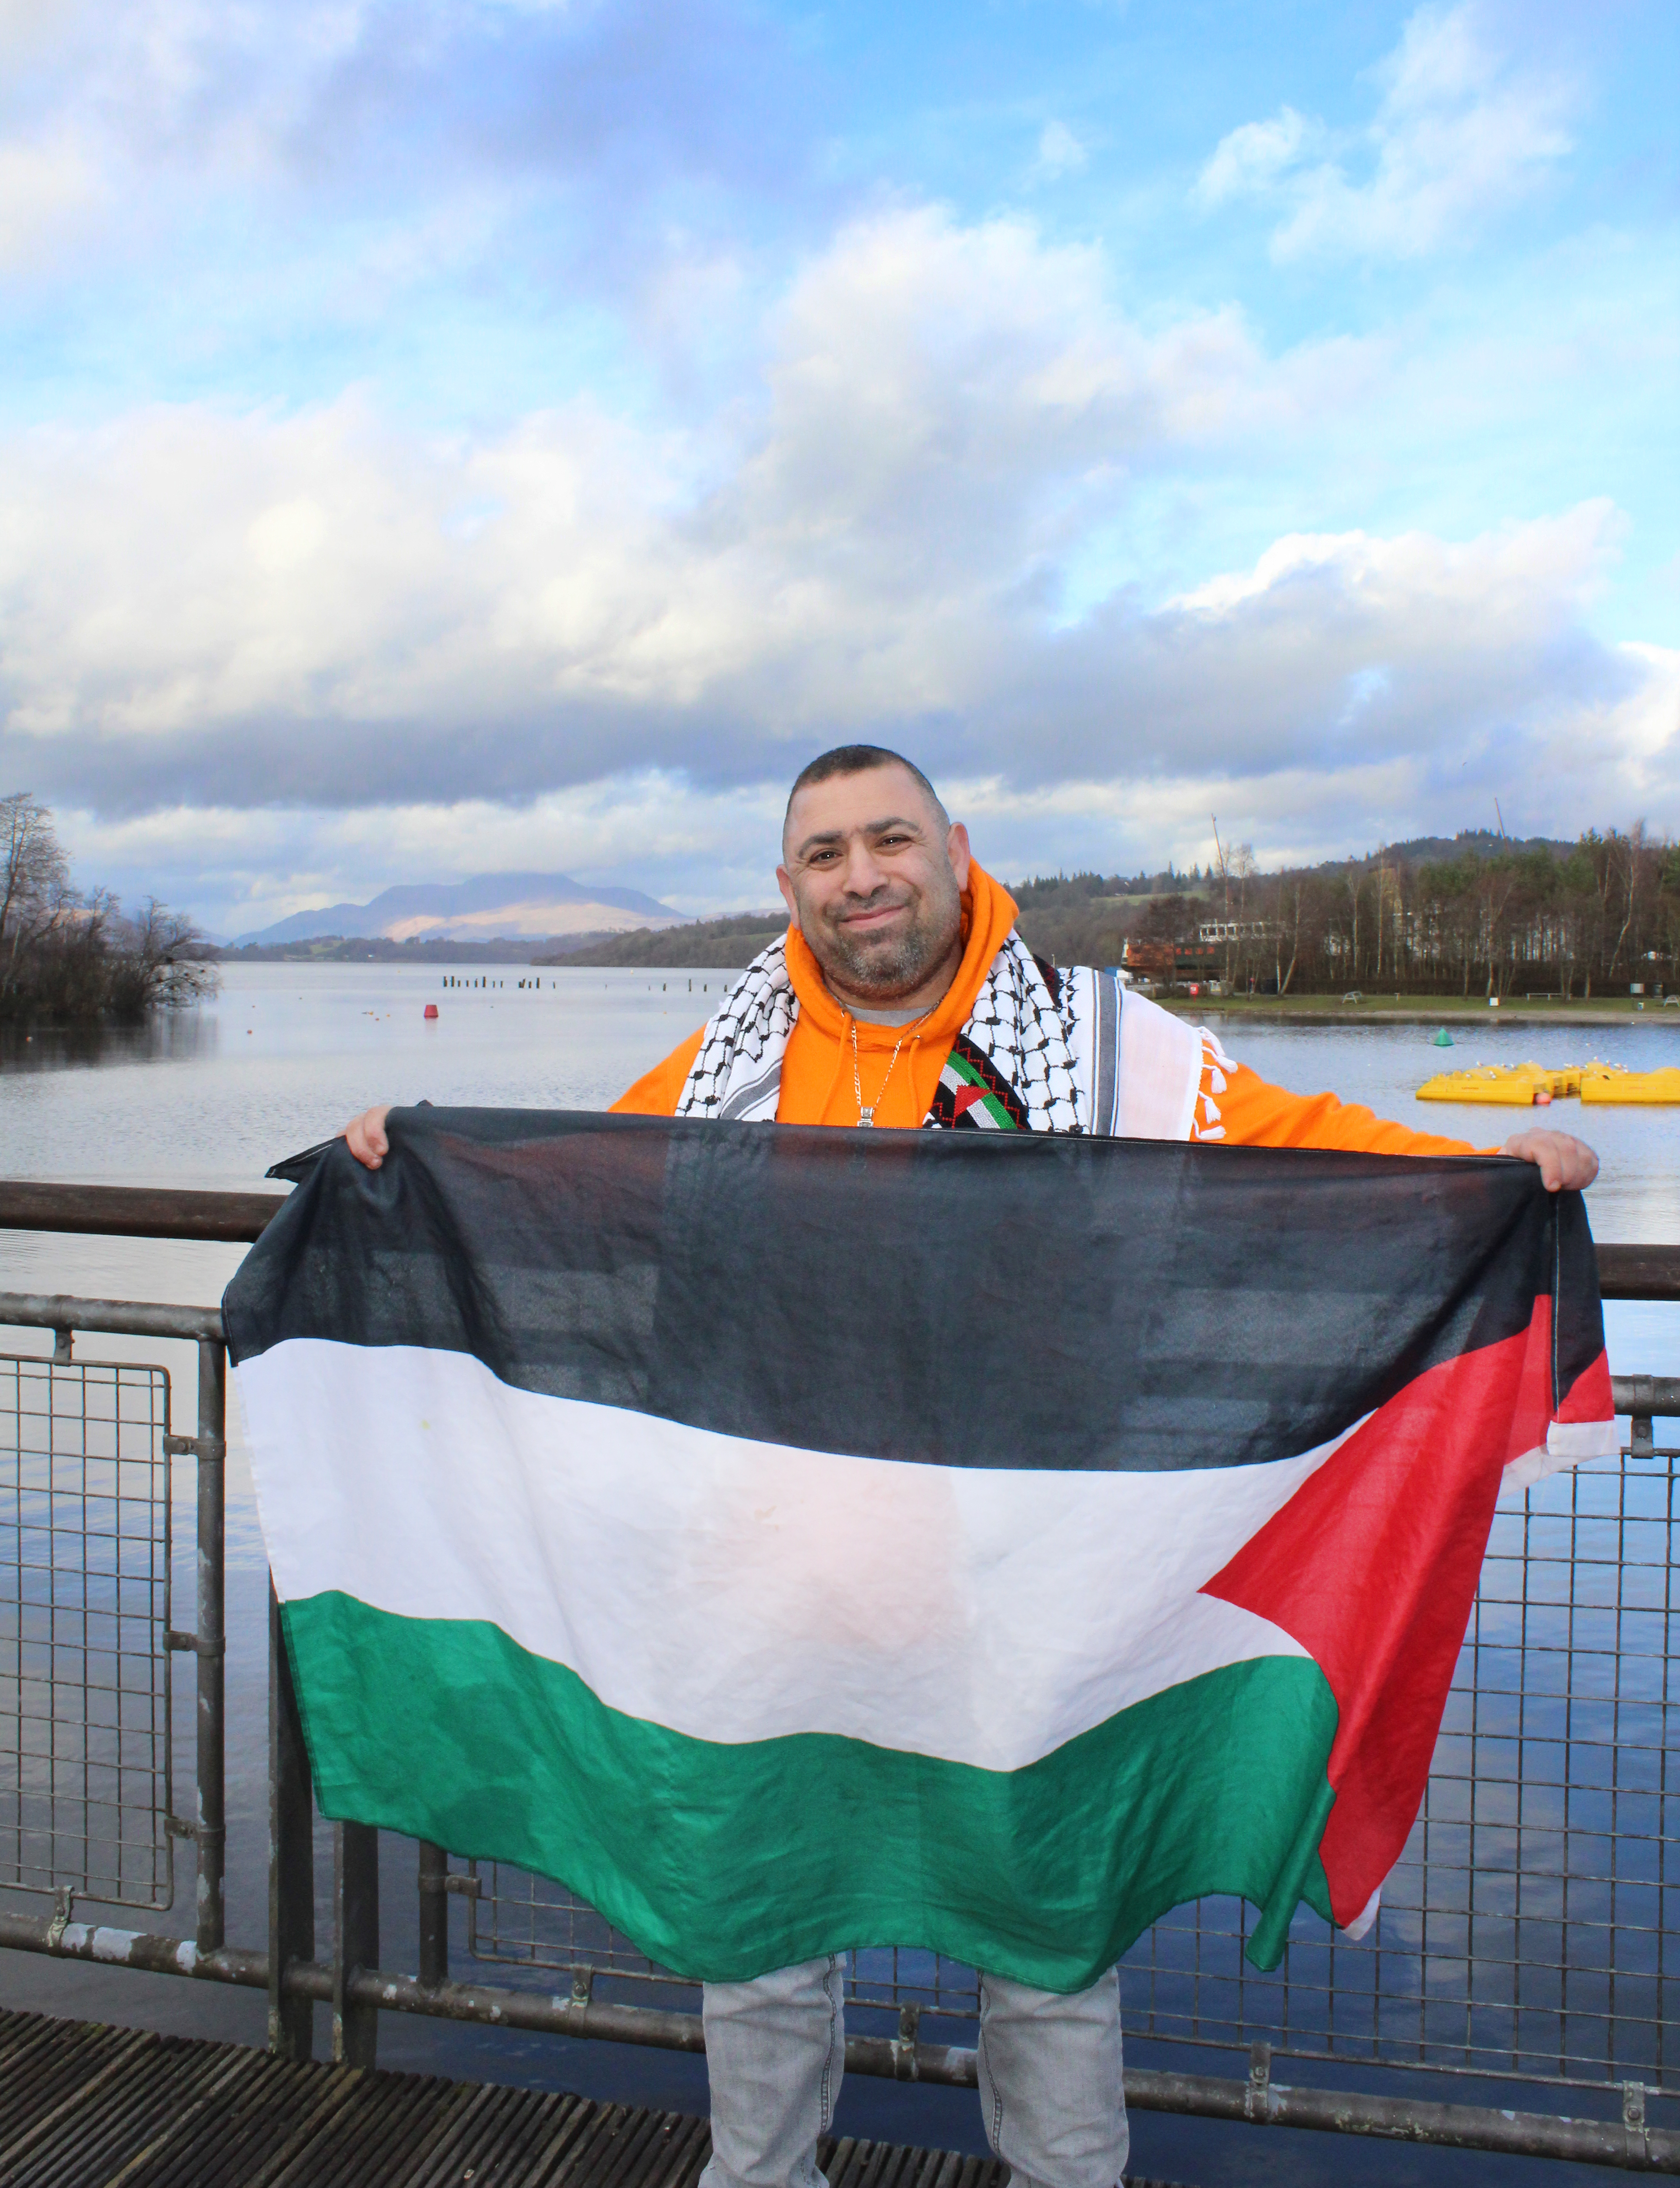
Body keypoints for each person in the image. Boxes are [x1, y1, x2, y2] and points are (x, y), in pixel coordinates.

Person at [342, 742, 1596, 2188]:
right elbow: (571, 1187)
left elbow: (1303, 1153)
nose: (862, 879)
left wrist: (1487, 1178)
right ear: (788, 884)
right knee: (758, 1929)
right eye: (826, 855)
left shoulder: (1112, 1045)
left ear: (954, 846)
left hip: (1028, 1591)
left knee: (1044, 1941)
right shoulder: (725, 1065)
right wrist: (411, 1162)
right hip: (779, 1581)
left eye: (889, 842)